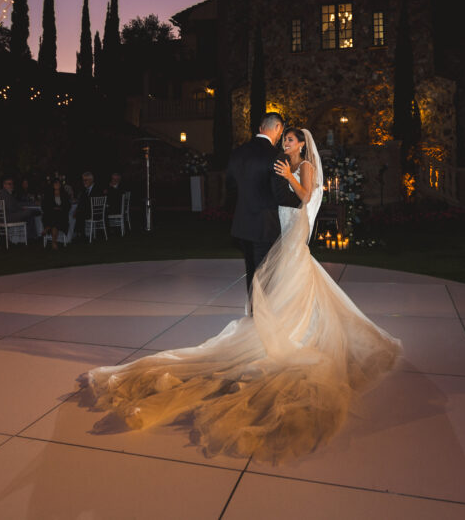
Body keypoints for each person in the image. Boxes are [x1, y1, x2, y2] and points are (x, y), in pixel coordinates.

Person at [83, 127, 402, 463]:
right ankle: (291, 321)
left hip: (296, 224)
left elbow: (307, 196)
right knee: (289, 278)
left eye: (291, 140)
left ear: (301, 144)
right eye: (286, 139)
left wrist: (289, 178)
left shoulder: (304, 165)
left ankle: (299, 327)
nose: (287, 143)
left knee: (297, 271)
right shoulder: (280, 161)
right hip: (282, 222)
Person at [226, 112, 302, 306]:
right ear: (278, 128)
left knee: (252, 271)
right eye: (281, 132)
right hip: (265, 226)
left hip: (242, 224)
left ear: (260, 129)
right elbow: (282, 196)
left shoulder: (237, 153)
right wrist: (302, 200)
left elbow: (231, 188)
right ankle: (263, 317)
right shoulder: (276, 156)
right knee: (267, 275)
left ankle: (254, 311)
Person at [41, 178, 71, 250]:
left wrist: (61, 208)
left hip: (61, 215)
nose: (57, 185)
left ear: (60, 185)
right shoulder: (48, 194)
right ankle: (54, 243)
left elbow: (68, 206)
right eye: (55, 183)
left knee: (56, 219)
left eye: (58, 183)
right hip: (51, 215)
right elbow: (44, 206)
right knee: (55, 220)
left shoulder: (64, 194)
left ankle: (48, 227)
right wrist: (53, 208)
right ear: (52, 185)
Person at [75, 172, 102, 236]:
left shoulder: (97, 189)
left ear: (91, 180)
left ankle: (81, 234)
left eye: (86, 180)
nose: (84, 182)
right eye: (83, 180)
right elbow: (82, 201)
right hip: (87, 211)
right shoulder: (84, 190)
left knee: (79, 214)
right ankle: (78, 233)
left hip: (96, 213)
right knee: (76, 212)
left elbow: (93, 203)